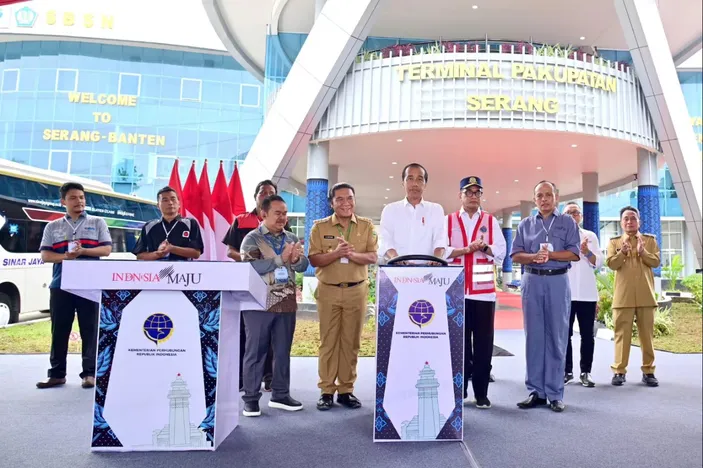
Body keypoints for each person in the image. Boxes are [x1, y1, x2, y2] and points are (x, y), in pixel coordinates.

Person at [510, 181, 579, 412]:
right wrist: (532, 257)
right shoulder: (525, 224)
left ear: (556, 198)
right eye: (540, 195)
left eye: (548, 195)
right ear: (534, 199)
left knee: (557, 336)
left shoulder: (567, 222)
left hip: (558, 280)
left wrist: (550, 255)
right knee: (534, 336)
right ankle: (535, 391)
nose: (544, 199)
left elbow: (574, 253)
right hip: (532, 280)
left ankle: (555, 393)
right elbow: (516, 255)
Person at [308, 183, 378, 411]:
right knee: (328, 341)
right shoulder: (319, 227)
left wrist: (351, 254)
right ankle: (327, 390)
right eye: (339, 199)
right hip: (328, 290)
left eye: (349, 198)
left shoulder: (366, 226)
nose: (345, 203)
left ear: (354, 200)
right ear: (331, 203)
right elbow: (314, 259)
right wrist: (336, 254)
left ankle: (346, 390)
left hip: (356, 290)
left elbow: (372, 257)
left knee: (351, 341)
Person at [36, 182, 112, 389]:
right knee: (59, 329)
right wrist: (66, 257)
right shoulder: (53, 226)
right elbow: (45, 255)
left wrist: (83, 252)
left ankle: (90, 374)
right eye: (73, 198)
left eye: (81, 197)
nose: (79, 201)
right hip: (61, 285)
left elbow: (106, 250)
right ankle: (56, 374)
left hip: (90, 285)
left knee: (90, 329)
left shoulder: (98, 223)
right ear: (63, 202)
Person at [239, 195, 309, 417]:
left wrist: (297, 260)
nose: (283, 217)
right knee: (256, 352)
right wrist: (280, 259)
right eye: (278, 213)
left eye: (285, 213)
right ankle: (250, 398)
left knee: (282, 351)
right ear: (264, 214)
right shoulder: (252, 238)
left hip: (286, 302)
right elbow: (249, 266)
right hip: (258, 303)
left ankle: (280, 394)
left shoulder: (290, 237)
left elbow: (304, 265)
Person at [445, 176, 506, 409]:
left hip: (483, 294)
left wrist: (485, 247)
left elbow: (501, 253)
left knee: (483, 345)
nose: (473, 196)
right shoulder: (448, 221)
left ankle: (481, 392)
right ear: (460, 195)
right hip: (456, 292)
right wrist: (465, 249)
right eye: (468, 192)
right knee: (458, 344)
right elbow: (440, 251)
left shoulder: (490, 221)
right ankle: (459, 390)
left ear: (481, 195)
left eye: (476, 192)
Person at [222, 180, 285, 392]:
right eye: (263, 192)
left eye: (271, 192)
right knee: (249, 333)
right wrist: (250, 260)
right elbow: (230, 250)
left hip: (275, 285)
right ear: (255, 196)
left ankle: (269, 377)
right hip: (247, 284)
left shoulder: (281, 222)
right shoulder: (241, 221)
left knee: (273, 334)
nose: (266, 195)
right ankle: (244, 379)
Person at [606, 206, 660, 387]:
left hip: (645, 295)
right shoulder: (614, 243)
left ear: (639, 221)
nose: (629, 222)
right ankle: (619, 371)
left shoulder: (649, 241)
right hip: (623, 297)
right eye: (626, 219)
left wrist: (643, 251)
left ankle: (649, 371)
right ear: (621, 223)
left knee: (647, 336)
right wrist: (622, 252)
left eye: (633, 218)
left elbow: (655, 262)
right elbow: (611, 265)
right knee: (622, 335)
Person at [563, 202, 603, 387]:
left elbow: (599, 263)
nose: (572, 215)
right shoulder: (559, 236)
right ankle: (566, 370)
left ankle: (586, 371)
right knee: (565, 334)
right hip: (565, 293)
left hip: (587, 294)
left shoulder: (590, 236)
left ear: (581, 217)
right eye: (569, 213)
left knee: (587, 335)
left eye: (575, 212)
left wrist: (587, 253)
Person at [379, 163, 445, 263]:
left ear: (425, 184)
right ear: (403, 183)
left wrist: (436, 260)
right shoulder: (390, 210)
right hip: (397, 272)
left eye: (420, 179)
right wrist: (395, 258)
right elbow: (385, 240)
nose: (415, 184)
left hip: (429, 272)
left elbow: (440, 240)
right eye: (410, 179)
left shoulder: (436, 209)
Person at [132, 186, 203, 261]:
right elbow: (139, 256)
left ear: (179, 204)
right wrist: (158, 254)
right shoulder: (149, 226)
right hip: (156, 270)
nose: (170, 203)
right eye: (165, 200)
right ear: (158, 206)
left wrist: (172, 249)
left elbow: (196, 253)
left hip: (183, 271)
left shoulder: (190, 223)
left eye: (173, 199)